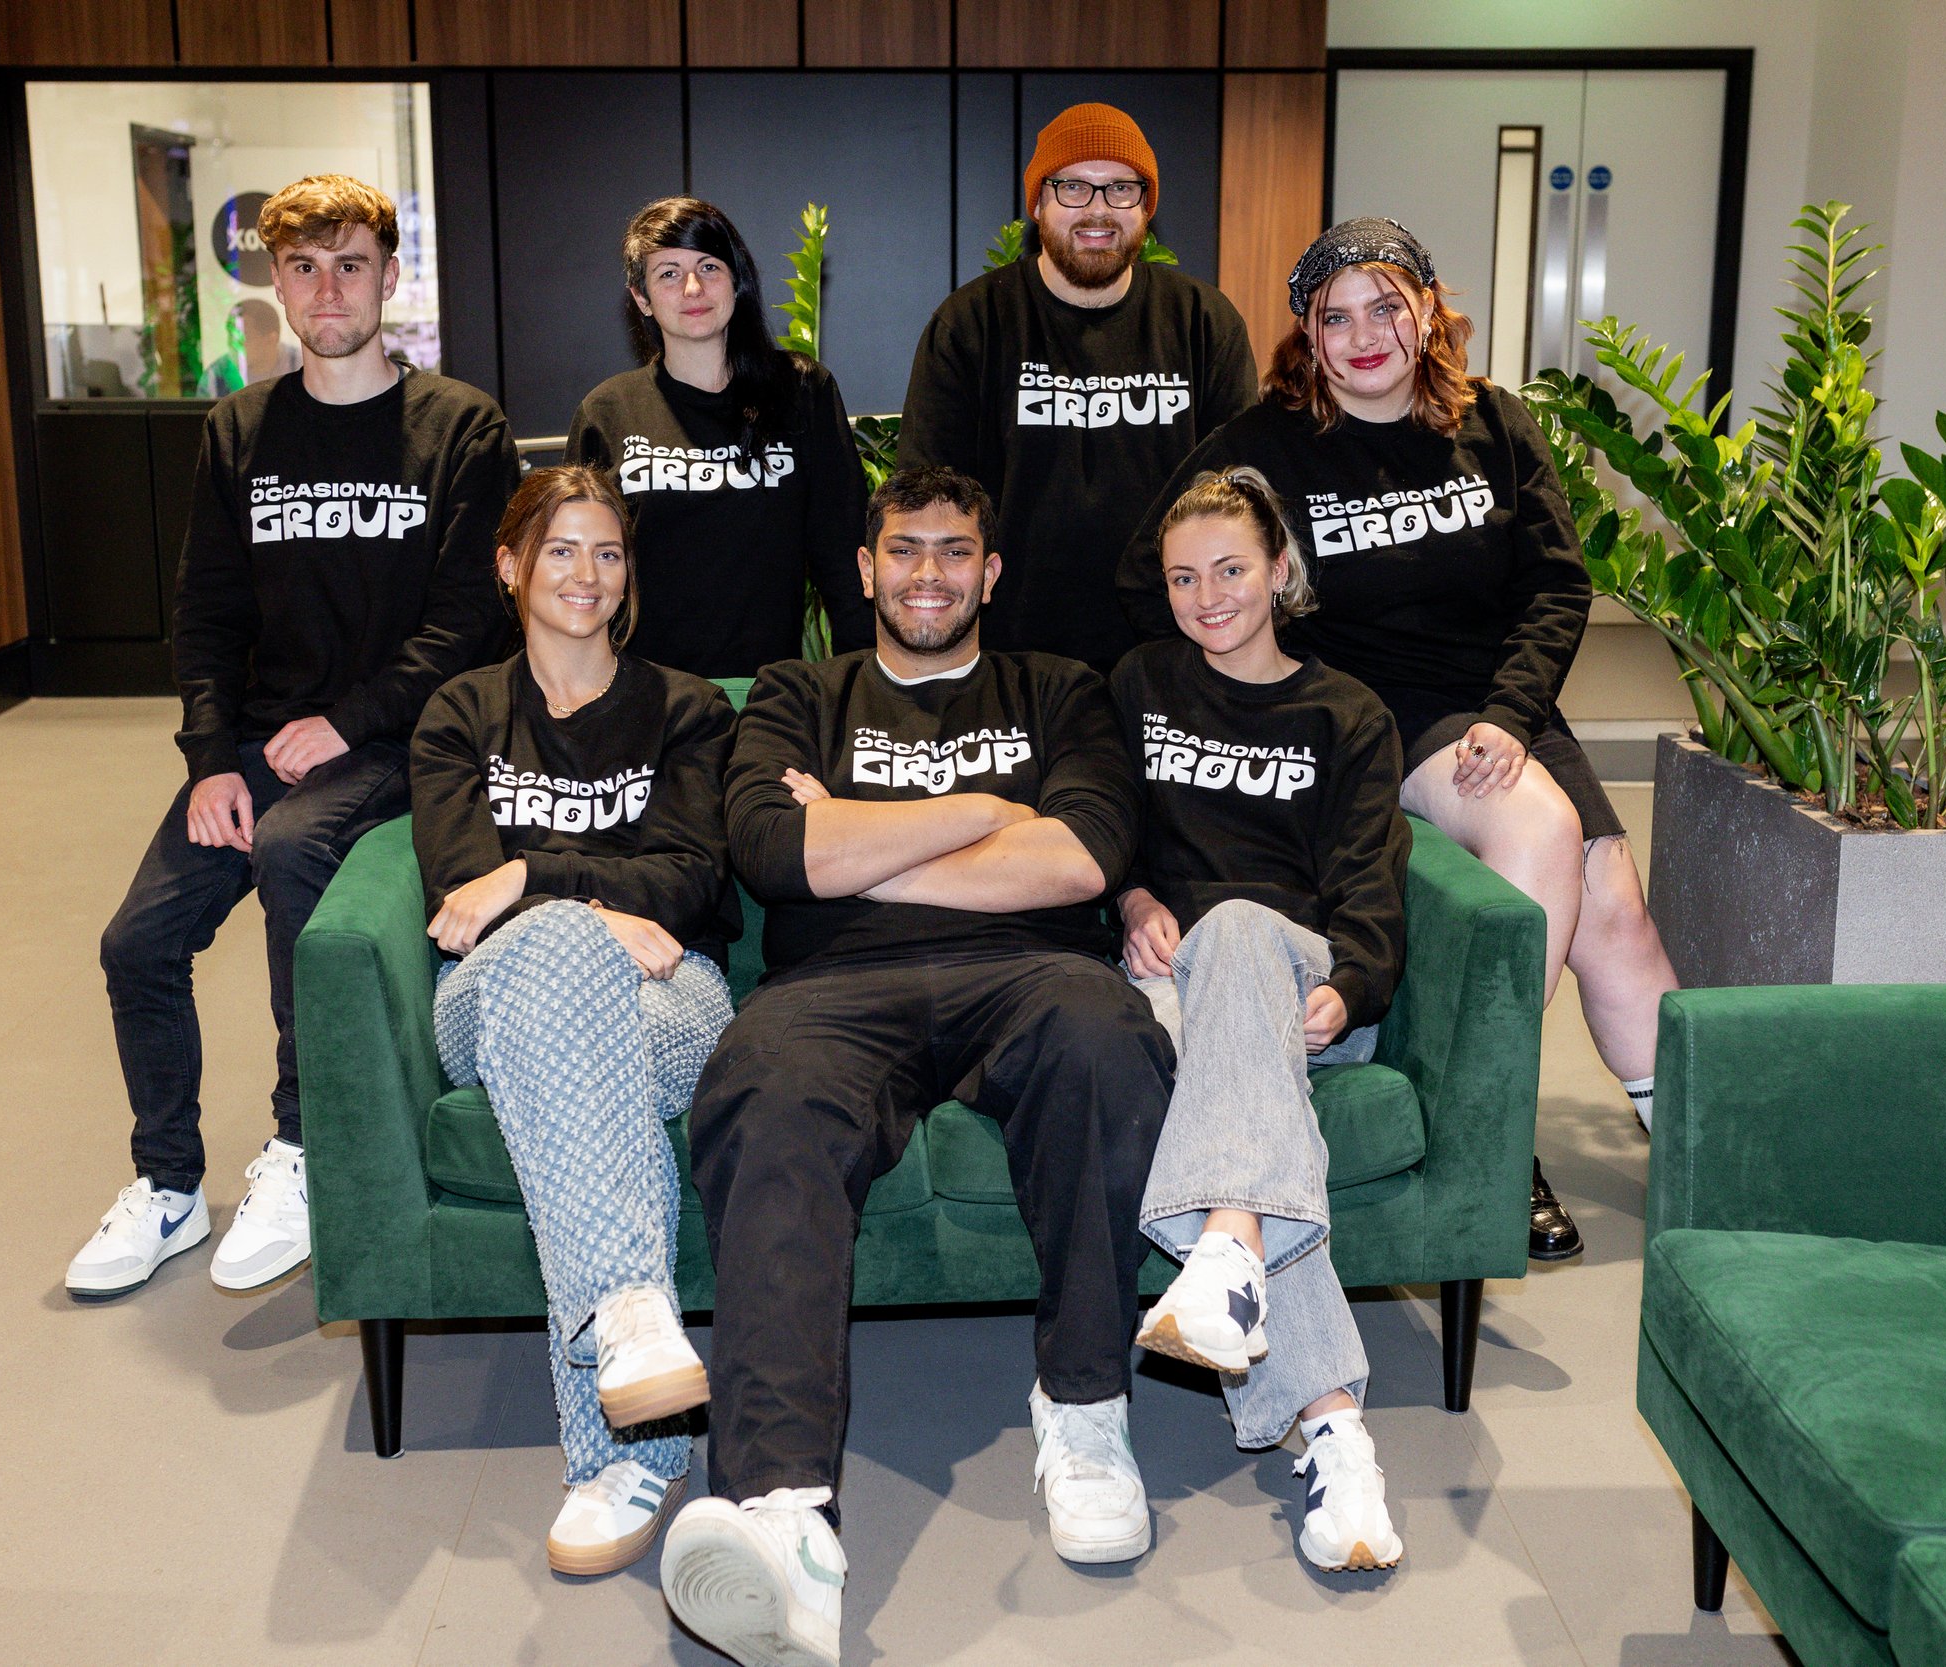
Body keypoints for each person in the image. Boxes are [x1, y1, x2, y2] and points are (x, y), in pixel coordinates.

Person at [659, 466, 1171, 1667]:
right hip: (833, 990)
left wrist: (856, 835)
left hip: (1030, 971)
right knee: (764, 1087)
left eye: (953, 552)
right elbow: (773, 852)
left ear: (990, 572)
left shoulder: (1061, 688)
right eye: (904, 550)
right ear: (865, 567)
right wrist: (990, 812)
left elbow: (1081, 859)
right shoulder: (797, 689)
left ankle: (1087, 1409)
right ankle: (784, 1516)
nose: (927, 573)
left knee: (1106, 1038)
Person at [1119, 216, 1682, 1261]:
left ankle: (1703, 1157)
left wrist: (1513, 712)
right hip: (1377, 713)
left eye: (1387, 306)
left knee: (1616, 909)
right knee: (1543, 830)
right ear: (1307, 335)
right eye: (1337, 317)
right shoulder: (1264, 445)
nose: (1365, 333)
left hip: (1503, 699)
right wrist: (1269, 688)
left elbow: (1557, 583)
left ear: (1428, 309)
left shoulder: (1496, 425)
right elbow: (1152, 571)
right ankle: (1489, 1125)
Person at [69, 174, 517, 1299]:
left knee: (292, 852)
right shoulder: (238, 431)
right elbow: (206, 612)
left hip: (394, 736)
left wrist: (349, 719)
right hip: (261, 744)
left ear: (389, 278)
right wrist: (210, 756)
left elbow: (469, 620)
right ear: (276, 280)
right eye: (305, 267)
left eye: (350, 264)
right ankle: (168, 1183)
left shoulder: (460, 426)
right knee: (137, 941)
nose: (328, 288)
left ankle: (301, 1146)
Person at [411, 464, 740, 1576]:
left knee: (560, 988)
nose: (586, 574)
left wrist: (535, 877)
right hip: (492, 997)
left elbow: (692, 878)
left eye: (607, 552)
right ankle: (633, 1327)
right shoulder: (460, 712)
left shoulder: (687, 707)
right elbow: (464, 899)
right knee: (550, 949)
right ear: (510, 566)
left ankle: (625, 1435)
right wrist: (600, 904)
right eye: (560, 550)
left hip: (674, 993)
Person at [1111, 466, 1409, 1573]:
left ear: (1281, 568)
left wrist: (1357, 981)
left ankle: (1227, 1256)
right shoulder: (1140, 683)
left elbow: (1374, 879)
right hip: (1173, 989)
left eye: (1230, 569)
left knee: (1237, 922)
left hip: (1301, 982)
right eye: (1184, 577)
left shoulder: (1347, 713)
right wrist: (1134, 898)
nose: (1207, 595)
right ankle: (1337, 1437)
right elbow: (1105, 830)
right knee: (1212, 941)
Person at [897, 102, 1256, 672]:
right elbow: (927, 501)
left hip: (1176, 654)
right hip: (1009, 658)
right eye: (1072, 188)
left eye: (1120, 189)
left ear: (1147, 206)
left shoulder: (1201, 322)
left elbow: (1241, 497)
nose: (1098, 210)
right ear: (1037, 204)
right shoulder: (971, 324)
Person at [567, 197, 871, 677]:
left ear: (737, 280)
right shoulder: (607, 412)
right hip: (647, 700)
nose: (693, 287)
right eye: (668, 272)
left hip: (772, 699)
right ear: (641, 297)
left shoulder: (801, 392)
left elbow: (846, 563)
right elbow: (577, 578)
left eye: (709, 266)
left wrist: (860, 690)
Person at [199, 297, 303, 396]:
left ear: (271, 340)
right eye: (231, 335)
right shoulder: (215, 378)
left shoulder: (300, 366)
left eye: (242, 338)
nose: (232, 345)